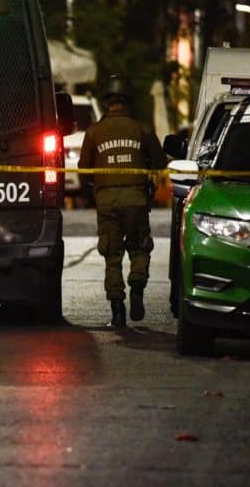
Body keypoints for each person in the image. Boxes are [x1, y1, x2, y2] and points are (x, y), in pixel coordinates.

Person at [78, 75, 168, 327]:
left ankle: (117, 309)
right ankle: (137, 284)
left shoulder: (94, 132)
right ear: (129, 101)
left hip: (106, 199)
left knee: (112, 254)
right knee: (139, 247)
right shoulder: (142, 129)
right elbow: (161, 163)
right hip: (136, 197)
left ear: (107, 102)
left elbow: (84, 170)